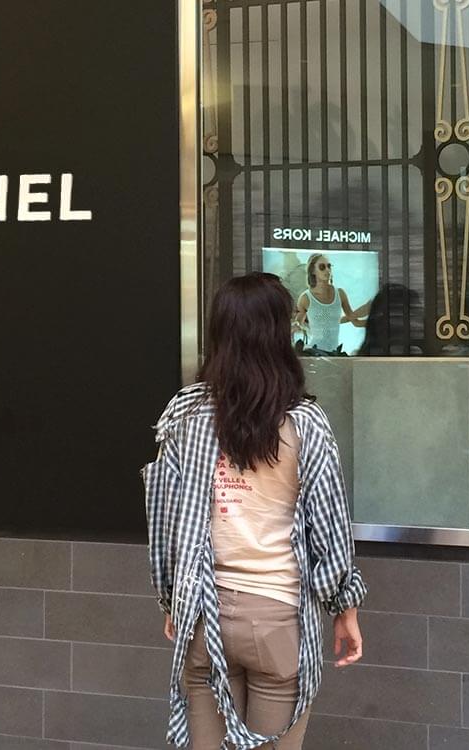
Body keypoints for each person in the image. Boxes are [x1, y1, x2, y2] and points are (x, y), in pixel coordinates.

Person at [144, 272, 367, 749]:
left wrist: (170, 598)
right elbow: (329, 528)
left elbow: (161, 518)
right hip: (276, 618)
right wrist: (343, 608)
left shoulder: (184, 416)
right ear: (279, 335)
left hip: (203, 613)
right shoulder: (304, 423)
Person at [292, 254, 370, 354]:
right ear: (312, 271)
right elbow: (298, 325)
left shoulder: (340, 294)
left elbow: (355, 321)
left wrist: (377, 322)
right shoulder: (305, 298)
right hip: (314, 352)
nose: (327, 270)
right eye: (322, 267)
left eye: (329, 266)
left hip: (334, 353)